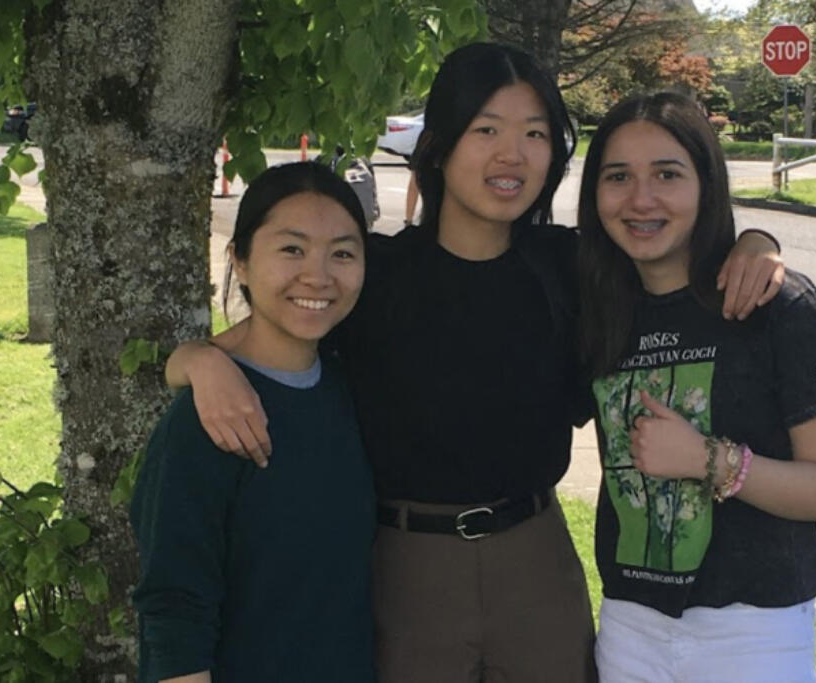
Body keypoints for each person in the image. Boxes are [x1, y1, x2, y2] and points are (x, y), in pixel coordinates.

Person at [165, 43, 784, 682]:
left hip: (534, 559)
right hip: (405, 569)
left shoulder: (575, 267)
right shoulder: (377, 274)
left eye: (534, 133)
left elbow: (674, 256)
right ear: (441, 143)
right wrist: (196, 362)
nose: (511, 154)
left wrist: (758, 241)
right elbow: (268, 347)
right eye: (486, 129)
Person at [576, 91, 816, 682]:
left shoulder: (774, 305)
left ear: (706, 184)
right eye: (618, 176)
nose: (641, 199)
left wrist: (707, 459)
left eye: (667, 174)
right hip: (630, 624)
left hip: (753, 627)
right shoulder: (595, 307)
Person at [131, 162, 375, 682]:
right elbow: (174, 613)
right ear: (239, 260)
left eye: (343, 253)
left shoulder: (348, 387)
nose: (318, 275)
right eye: (292, 249)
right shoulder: (206, 422)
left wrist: (194, 355)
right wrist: (199, 360)